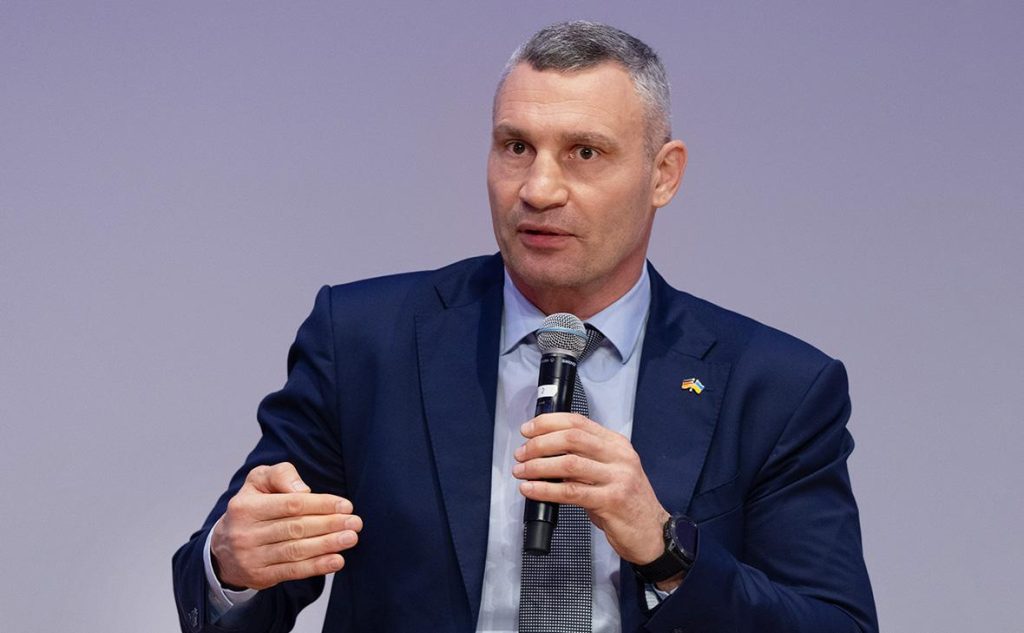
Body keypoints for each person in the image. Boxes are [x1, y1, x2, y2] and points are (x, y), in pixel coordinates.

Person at [173, 21, 877, 633]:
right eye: (516, 147)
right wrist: (230, 566)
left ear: (664, 175)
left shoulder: (776, 388)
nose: (538, 189)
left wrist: (667, 550)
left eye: (584, 153)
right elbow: (234, 582)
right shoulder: (365, 342)